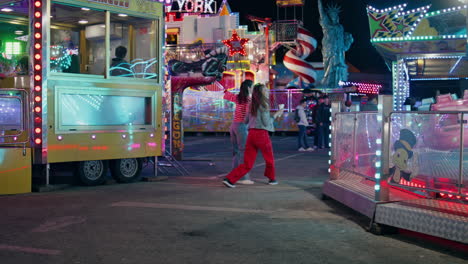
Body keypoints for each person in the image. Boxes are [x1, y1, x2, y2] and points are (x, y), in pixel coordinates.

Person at [222, 83, 283, 188]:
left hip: (251, 134)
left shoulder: (251, 104)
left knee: (247, 162)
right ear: (261, 93)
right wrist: (277, 114)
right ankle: (272, 179)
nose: (267, 91)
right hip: (262, 134)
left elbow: (245, 120)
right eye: (265, 90)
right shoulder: (264, 104)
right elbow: (266, 122)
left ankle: (230, 179)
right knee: (269, 159)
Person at [223, 79, 254, 184]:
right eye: (252, 87)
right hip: (242, 126)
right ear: (249, 88)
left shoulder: (237, 98)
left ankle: (234, 174)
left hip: (233, 125)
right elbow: (247, 116)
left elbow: (226, 95)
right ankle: (243, 177)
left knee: (236, 151)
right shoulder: (249, 100)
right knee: (243, 151)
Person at [318, 0, 353, 88]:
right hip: (329, 50)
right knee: (329, 67)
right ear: (329, 16)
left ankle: (336, 86)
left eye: (335, 15)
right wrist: (319, 2)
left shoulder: (340, 27)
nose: (333, 16)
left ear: (337, 16)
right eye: (331, 15)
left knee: (338, 68)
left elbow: (342, 40)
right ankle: (327, 82)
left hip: (339, 51)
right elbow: (321, 13)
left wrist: (348, 41)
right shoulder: (326, 25)